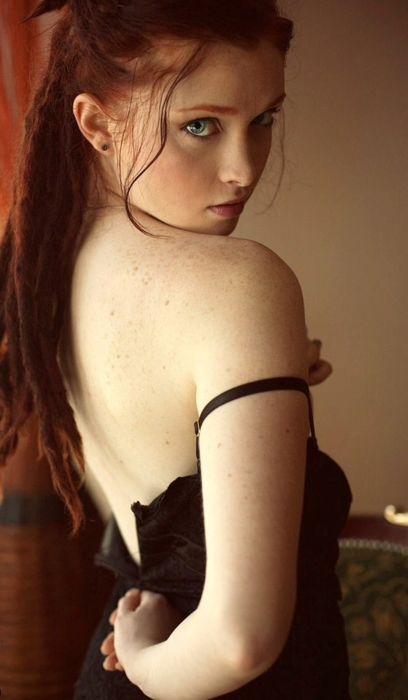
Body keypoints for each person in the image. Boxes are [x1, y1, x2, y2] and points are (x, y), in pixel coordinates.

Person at [0, 0, 352, 698]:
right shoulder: (240, 283)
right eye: (200, 126)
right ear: (97, 123)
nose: (242, 169)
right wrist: (142, 662)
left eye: (263, 120)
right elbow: (239, 640)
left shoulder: (50, 265)